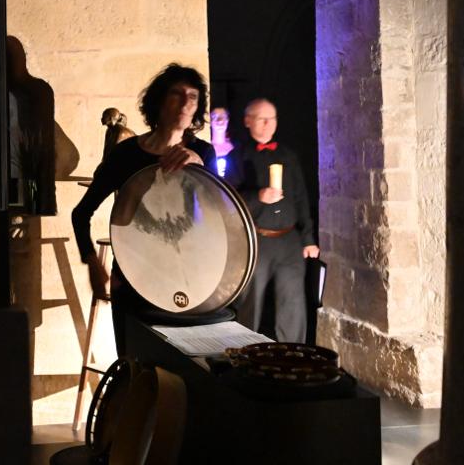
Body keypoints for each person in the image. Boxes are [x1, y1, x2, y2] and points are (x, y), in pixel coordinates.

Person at [72, 64, 215, 355]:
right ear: (159, 101)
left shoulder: (204, 153)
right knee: (135, 366)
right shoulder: (125, 155)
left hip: (187, 277)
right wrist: (92, 263)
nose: (185, 104)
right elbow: (81, 213)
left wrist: (200, 166)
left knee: (184, 367)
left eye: (193, 97)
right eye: (176, 94)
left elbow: (221, 216)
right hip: (133, 276)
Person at [233, 98, 319, 343]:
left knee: (292, 302)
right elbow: (229, 199)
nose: (268, 124)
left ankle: (292, 353)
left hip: (289, 239)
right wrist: (258, 197)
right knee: (251, 301)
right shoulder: (238, 156)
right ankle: (243, 350)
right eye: (262, 119)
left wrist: (308, 238)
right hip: (257, 240)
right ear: (248, 121)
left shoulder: (288, 156)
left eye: (272, 118)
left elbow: (300, 196)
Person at [209, 107, 239, 182]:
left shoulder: (236, 147)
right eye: (215, 117)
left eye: (223, 116)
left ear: (227, 120)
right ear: (210, 121)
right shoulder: (206, 149)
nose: (220, 120)